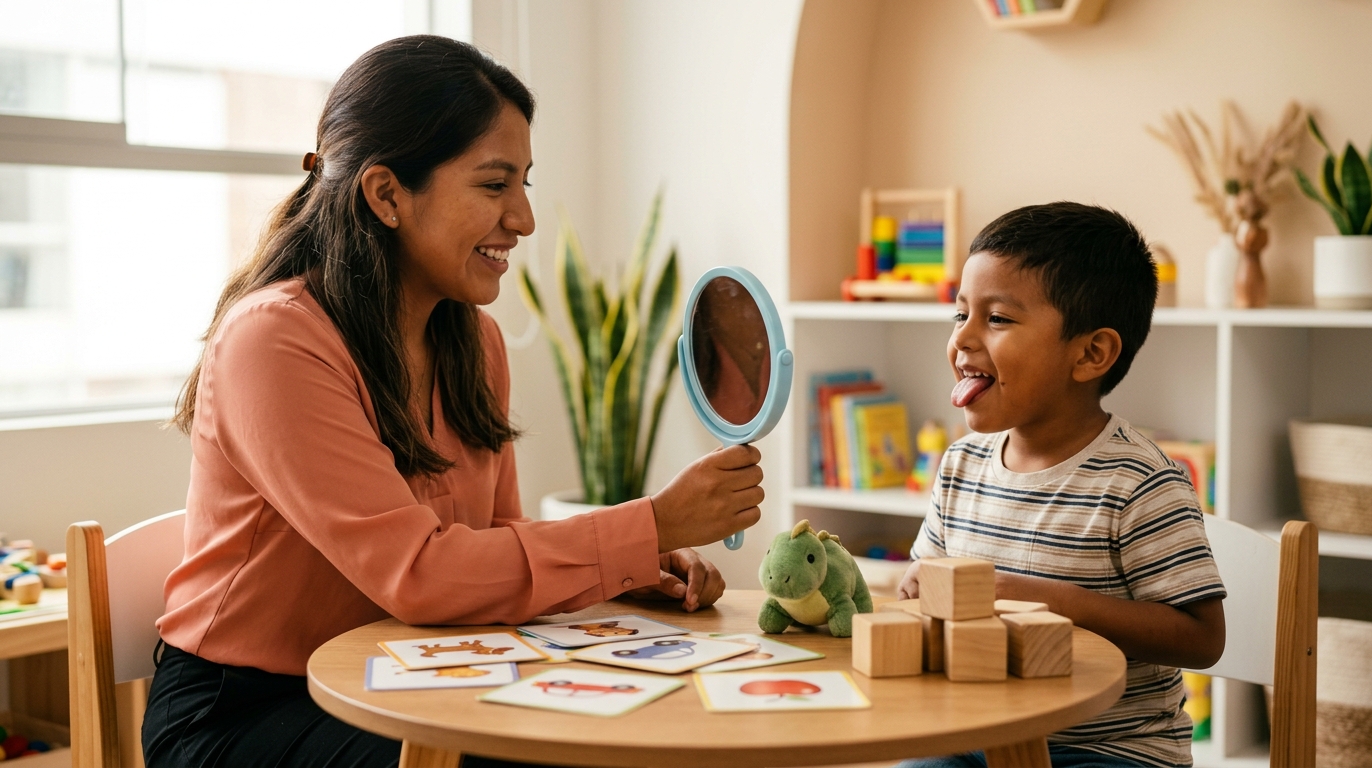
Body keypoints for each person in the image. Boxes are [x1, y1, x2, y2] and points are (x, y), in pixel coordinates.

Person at [143, 36, 763, 768]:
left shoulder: (475, 340)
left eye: (525, 183)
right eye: (495, 185)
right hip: (243, 713)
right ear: (386, 194)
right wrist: (647, 523)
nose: (525, 219)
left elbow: (494, 542)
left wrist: (634, 569)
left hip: (410, 677)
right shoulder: (275, 340)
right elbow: (422, 576)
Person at [896, 203, 1227, 768]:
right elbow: (925, 585)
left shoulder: (1140, 480)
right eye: (960, 315)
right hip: (979, 731)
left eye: (996, 319)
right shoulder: (959, 465)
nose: (964, 340)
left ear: (1090, 353)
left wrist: (1044, 599)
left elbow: (1200, 638)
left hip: (1111, 748)